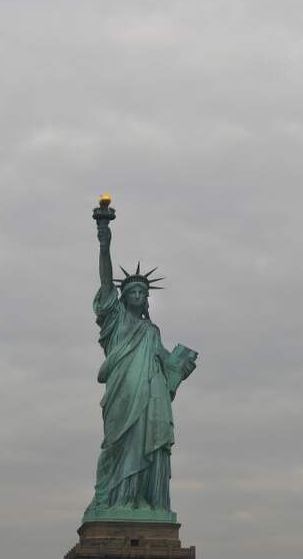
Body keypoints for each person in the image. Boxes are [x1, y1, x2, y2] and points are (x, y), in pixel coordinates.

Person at [84, 219, 196, 521]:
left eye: (143, 293)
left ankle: (141, 501)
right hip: (123, 392)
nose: (138, 296)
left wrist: (181, 365)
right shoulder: (116, 321)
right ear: (123, 298)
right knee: (119, 444)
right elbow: (106, 284)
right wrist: (104, 244)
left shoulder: (152, 331)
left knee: (146, 442)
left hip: (151, 396)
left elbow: (166, 365)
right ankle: (115, 499)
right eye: (132, 292)